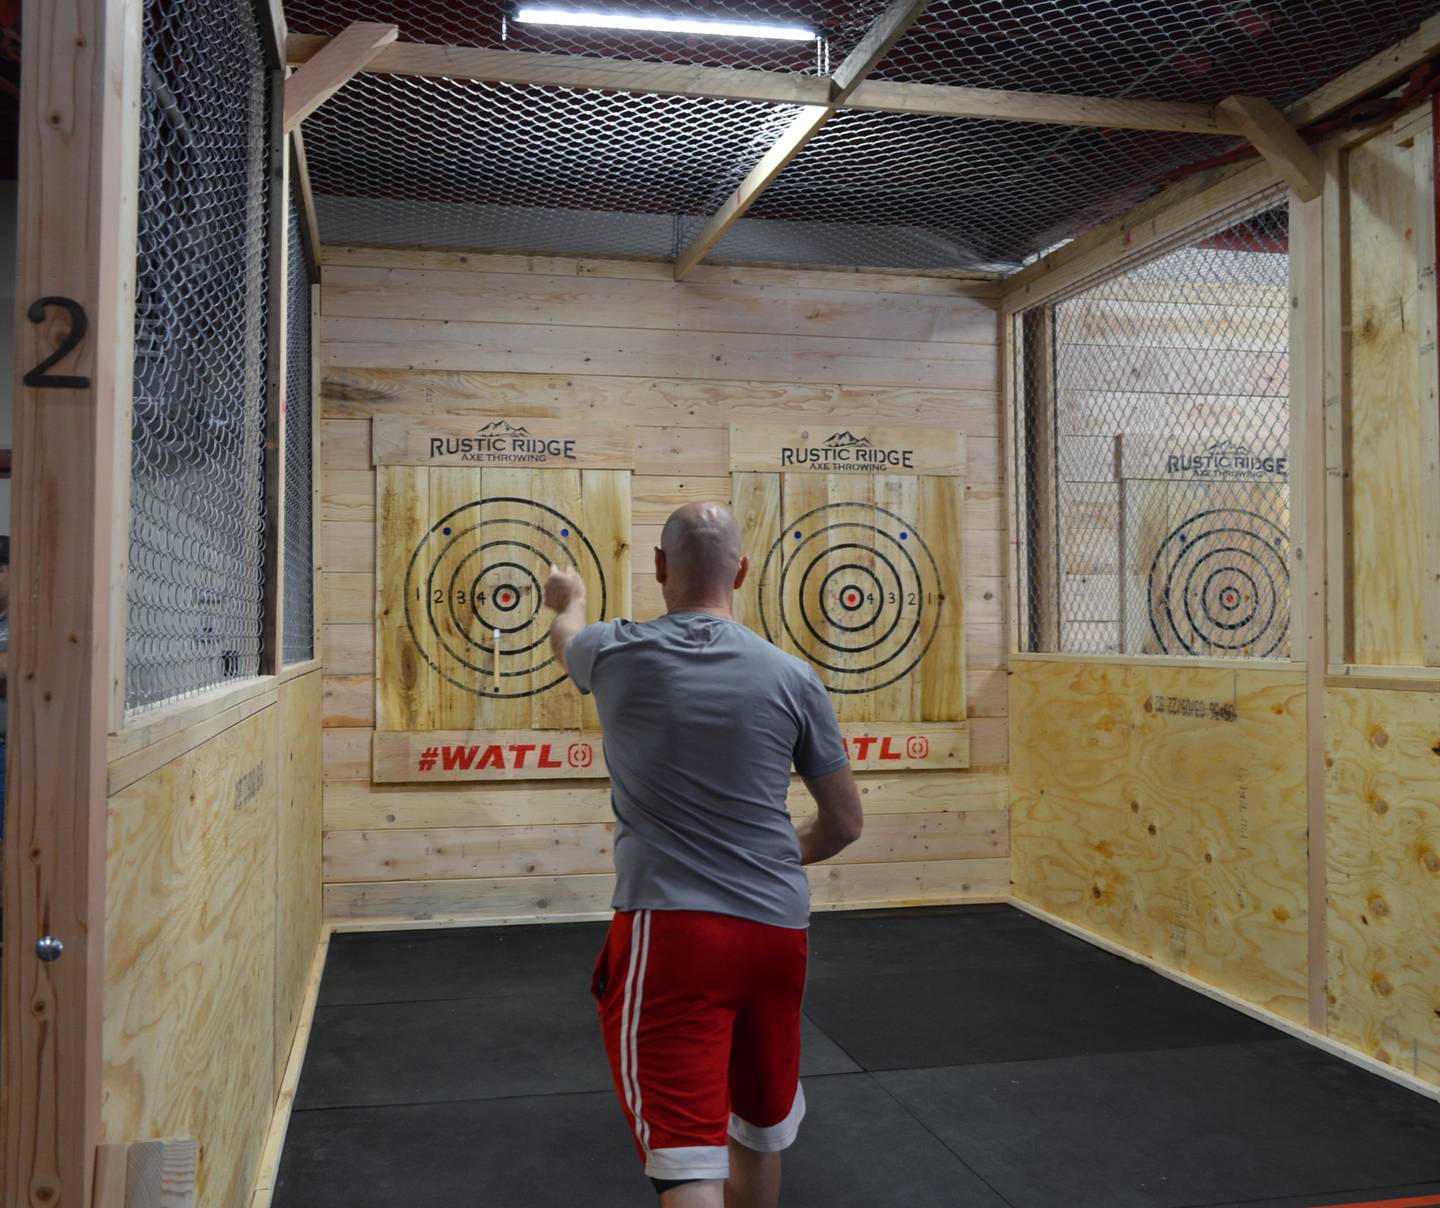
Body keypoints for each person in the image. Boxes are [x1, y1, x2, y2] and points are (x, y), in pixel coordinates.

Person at [543, 502, 863, 1208]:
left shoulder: (614, 650)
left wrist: (571, 599)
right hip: (779, 935)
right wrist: (776, 859)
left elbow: (567, 637)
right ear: (742, 571)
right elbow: (844, 823)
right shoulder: (793, 676)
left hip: (675, 934)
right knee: (759, 1128)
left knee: (687, 1157)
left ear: (659, 568)